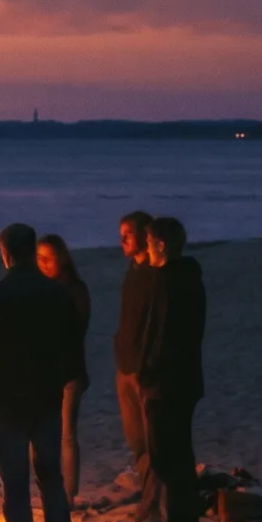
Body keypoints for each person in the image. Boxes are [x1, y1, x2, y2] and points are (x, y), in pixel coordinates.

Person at [0, 222, 85, 522]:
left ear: (5, 254)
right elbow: (72, 343)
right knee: (51, 479)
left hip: (7, 400)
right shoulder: (55, 293)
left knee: (16, 485)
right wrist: (65, 378)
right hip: (46, 395)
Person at [134, 216, 207, 522]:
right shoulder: (190, 278)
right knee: (178, 453)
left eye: (149, 243)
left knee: (167, 456)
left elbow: (161, 333)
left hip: (166, 381)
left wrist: (146, 371)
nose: (146, 248)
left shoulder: (168, 281)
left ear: (161, 245)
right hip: (185, 379)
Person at [37, 233, 92, 502]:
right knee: (42, 434)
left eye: (50, 258)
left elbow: (75, 331)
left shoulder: (74, 289)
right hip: (42, 373)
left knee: (67, 433)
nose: (44, 263)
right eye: (39, 258)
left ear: (63, 259)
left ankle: (69, 495)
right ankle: (50, 489)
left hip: (69, 371)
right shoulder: (36, 289)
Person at [112, 210, 158, 500]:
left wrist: (144, 362)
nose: (122, 240)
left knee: (154, 441)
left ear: (146, 235)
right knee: (137, 440)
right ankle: (148, 495)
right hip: (125, 366)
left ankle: (154, 502)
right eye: (121, 234)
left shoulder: (157, 274)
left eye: (128, 234)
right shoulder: (133, 272)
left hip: (145, 368)